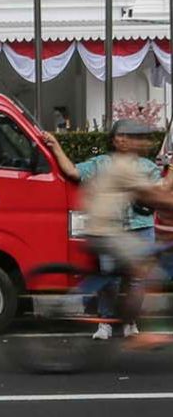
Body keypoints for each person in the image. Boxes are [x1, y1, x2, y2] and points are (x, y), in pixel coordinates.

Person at [43, 118, 172, 339]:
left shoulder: (146, 166)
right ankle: (105, 321)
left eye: (130, 136)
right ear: (113, 140)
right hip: (110, 231)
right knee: (116, 277)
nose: (126, 139)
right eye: (121, 135)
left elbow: (158, 191)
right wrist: (55, 146)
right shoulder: (103, 163)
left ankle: (130, 322)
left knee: (136, 278)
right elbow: (73, 172)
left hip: (139, 227)